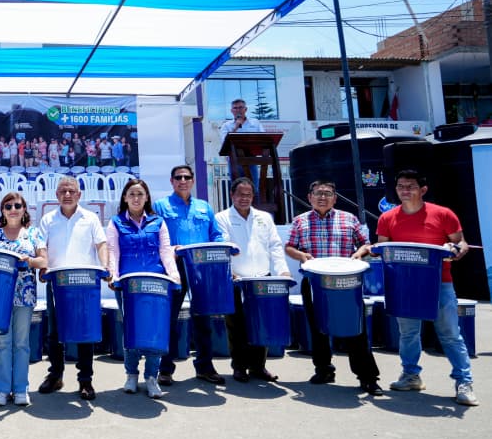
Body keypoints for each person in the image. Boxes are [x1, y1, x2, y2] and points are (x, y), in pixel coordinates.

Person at [369, 170, 477, 406]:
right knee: (408, 334)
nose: (405, 191)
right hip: (403, 285)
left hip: (440, 284)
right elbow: (383, 249)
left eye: (410, 186)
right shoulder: (387, 218)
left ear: (423, 189)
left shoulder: (443, 214)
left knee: (450, 334)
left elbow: (461, 243)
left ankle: (464, 381)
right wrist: (372, 250)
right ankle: (410, 376)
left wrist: (456, 249)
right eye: (400, 186)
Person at [285, 180, 384, 396]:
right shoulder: (300, 221)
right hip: (314, 282)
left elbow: (366, 244)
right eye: (317, 193)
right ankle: (324, 370)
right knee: (318, 328)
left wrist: (360, 253)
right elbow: (289, 247)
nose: (322, 197)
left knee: (355, 329)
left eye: (327, 193)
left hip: (346, 283)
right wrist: (301, 255)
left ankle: (368, 378)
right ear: (309, 197)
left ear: (335, 198)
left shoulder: (349, 219)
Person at [152, 164, 228, 386]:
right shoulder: (161, 206)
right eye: (178, 177)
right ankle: (165, 369)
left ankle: (205, 367)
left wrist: (222, 247)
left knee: (203, 319)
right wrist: (170, 251)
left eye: (186, 177)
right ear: (172, 181)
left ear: (193, 180)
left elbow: (216, 234)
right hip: (174, 270)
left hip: (202, 270)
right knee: (170, 319)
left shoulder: (204, 207)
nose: (182, 180)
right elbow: (154, 236)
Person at [106, 178, 180, 398]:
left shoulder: (158, 222)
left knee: (155, 329)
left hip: (155, 283)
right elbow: (113, 252)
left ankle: (151, 377)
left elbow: (166, 251)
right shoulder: (116, 222)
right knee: (131, 328)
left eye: (140, 194)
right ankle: (131, 375)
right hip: (128, 285)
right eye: (131, 194)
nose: (136, 198)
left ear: (147, 197)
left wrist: (174, 276)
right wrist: (114, 276)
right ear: (125, 198)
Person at [37, 176, 109, 401]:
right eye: (63, 191)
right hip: (58, 283)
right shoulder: (48, 219)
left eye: (71, 191)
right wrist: (44, 266)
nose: (67, 194)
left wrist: (105, 265)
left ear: (79, 194)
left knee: (85, 332)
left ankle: (85, 380)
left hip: (85, 283)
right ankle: (55, 375)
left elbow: (101, 244)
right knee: (54, 332)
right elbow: (42, 247)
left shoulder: (90, 218)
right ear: (57, 195)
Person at [215, 178, 290, 382]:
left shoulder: (264, 217)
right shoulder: (222, 218)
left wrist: (282, 271)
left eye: (248, 195)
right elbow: (223, 248)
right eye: (240, 194)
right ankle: (239, 366)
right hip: (236, 280)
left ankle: (258, 366)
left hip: (262, 279)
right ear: (232, 195)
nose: (244, 198)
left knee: (261, 323)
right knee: (236, 326)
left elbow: (275, 246)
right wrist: (229, 273)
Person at [0, 192, 47, 407]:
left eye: (17, 205)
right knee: (2, 342)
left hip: (25, 294)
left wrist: (29, 261)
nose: (13, 209)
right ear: (2, 210)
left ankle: (21, 388)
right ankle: (1, 390)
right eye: (8, 205)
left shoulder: (33, 234)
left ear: (24, 210)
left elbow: (43, 261)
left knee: (21, 344)